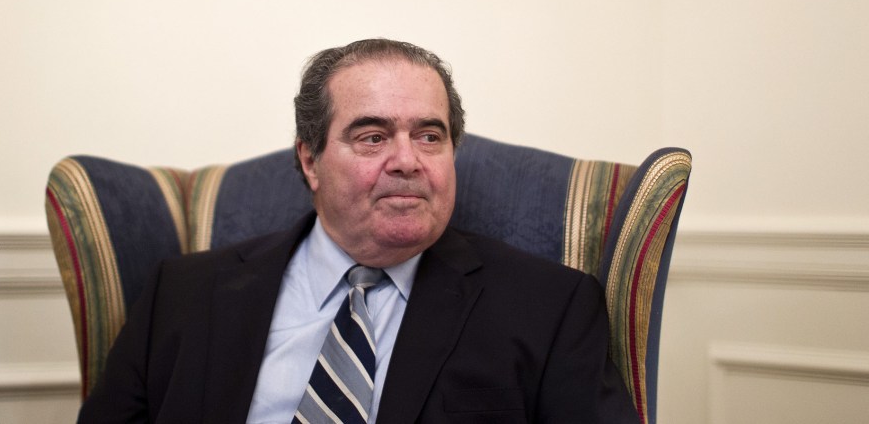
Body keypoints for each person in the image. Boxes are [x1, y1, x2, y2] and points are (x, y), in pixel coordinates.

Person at [78, 38, 640, 423]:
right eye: (372, 137)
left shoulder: (548, 309)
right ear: (310, 160)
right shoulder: (183, 295)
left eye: (429, 136)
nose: (407, 161)